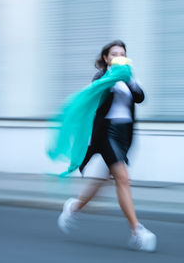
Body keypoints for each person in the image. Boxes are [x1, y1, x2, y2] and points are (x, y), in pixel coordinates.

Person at [57, 40, 157, 252]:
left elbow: (139, 98)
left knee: (103, 181)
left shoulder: (129, 76)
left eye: (122, 53)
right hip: (106, 134)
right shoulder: (101, 77)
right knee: (123, 179)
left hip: (124, 135)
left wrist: (128, 79)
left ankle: (74, 207)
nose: (119, 56)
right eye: (114, 53)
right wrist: (113, 79)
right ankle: (136, 231)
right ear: (106, 58)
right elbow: (96, 99)